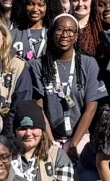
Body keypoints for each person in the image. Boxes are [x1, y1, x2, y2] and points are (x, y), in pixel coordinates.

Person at [31, 12, 101, 144]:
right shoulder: (38, 65)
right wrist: (51, 144)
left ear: (76, 36)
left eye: (70, 31)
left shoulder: (89, 64)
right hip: (49, 138)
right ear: (52, 34)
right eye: (59, 30)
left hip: (80, 138)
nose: (64, 35)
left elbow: (91, 108)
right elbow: (39, 109)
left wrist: (74, 144)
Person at [8, 0, 53, 66]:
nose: (35, 9)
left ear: (48, 7)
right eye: (30, 4)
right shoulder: (12, 34)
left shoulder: (52, 34)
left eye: (41, 5)